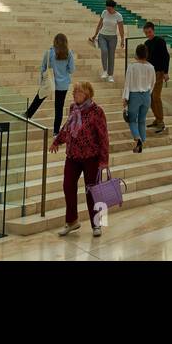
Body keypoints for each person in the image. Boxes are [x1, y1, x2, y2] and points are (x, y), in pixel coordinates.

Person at [50, 82, 111, 238]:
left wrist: (104, 160)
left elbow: (103, 136)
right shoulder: (73, 108)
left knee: (93, 191)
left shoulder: (97, 111)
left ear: (87, 94)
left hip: (91, 156)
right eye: (74, 91)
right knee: (68, 186)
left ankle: (97, 224)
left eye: (77, 92)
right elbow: (68, 127)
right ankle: (72, 221)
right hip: (73, 156)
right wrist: (57, 141)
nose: (74, 94)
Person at [27, 33, 75, 133]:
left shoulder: (49, 52)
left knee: (39, 98)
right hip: (63, 84)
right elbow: (71, 70)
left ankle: (28, 115)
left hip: (50, 81)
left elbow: (43, 68)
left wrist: (41, 81)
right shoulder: (69, 53)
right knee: (59, 108)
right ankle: (56, 132)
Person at [122, 44, 156, 153]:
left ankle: (138, 139)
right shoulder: (151, 67)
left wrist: (125, 98)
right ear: (146, 54)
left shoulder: (132, 66)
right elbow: (153, 83)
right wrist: (147, 93)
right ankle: (142, 143)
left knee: (132, 119)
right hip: (146, 96)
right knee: (142, 120)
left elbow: (127, 84)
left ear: (136, 54)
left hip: (134, 95)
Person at [143, 21, 170, 134]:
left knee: (156, 96)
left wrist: (165, 72)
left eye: (149, 32)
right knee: (150, 98)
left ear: (153, 30)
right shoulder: (146, 43)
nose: (148, 34)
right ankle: (157, 119)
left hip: (159, 73)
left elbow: (166, 56)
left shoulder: (160, 41)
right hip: (150, 74)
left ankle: (161, 122)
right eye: (146, 33)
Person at [90, 0, 125, 83]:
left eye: (110, 9)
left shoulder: (118, 16)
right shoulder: (104, 12)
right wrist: (95, 34)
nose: (108, 10)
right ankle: (105, 71)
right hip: (102, 36)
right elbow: (100, 24)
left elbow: (121, 29)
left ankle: (110, 75)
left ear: (113, 8)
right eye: (107, 8)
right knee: (104, 51)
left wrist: (122, 40)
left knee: (111, 56)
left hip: (113, 37)